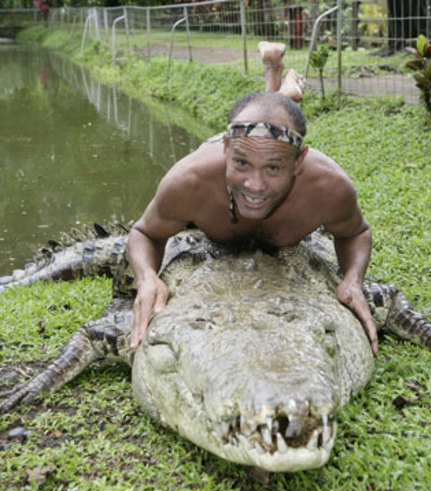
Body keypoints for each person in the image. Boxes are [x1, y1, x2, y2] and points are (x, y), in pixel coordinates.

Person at [127, 42, 378, 355]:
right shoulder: (189, 181)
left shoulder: (329, 186)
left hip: (267, 149)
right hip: (218, 160)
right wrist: (147, 277)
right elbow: (144, 232)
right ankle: (280, 89)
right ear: (226, 149)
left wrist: (353, 278)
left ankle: (280, 89)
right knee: (262, 132)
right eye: (241, 163)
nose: (256, 186)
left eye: (273, 168)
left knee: (266, 129)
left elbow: (355, 232)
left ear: (299, 162)